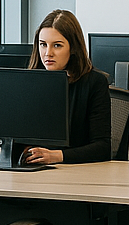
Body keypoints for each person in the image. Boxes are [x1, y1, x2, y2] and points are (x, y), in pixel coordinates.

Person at [23, 9, 111, 164]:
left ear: (73, 48)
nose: (47, 53)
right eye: (43, 45)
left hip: (79, 172)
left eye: (57, 45)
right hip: (34, 169)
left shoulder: (94, 83)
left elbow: (102, 148)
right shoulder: (30, 81)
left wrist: (56, 156)